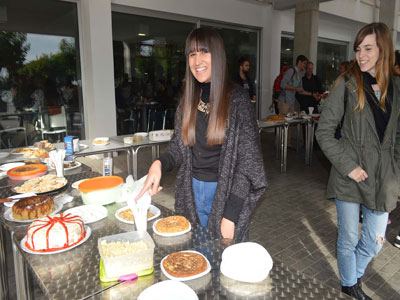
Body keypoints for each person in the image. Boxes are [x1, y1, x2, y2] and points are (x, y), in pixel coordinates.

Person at [136, 27, 267, 242]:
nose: (198, 61)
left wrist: (231, 215)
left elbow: (248, 164)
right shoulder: (190, 97)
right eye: (192, 54)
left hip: (224, 195)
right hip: (192, 192)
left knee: (222, 263)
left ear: (218, 55)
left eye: (204, 52)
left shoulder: (237, 101)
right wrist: (159, 163)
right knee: (195, 256)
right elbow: (179, 145)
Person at [316, 23, 400, 300]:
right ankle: (349, 286)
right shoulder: (347, 84)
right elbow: (324, 132)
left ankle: (352, 274)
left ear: (383, 50)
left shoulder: (396, 88)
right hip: (349, 173)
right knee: (349, 238)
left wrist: (395, 170)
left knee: (375, 242)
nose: (361, 55)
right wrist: (348, 166)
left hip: (383, 177)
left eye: (368, 48)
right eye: (358, 49)